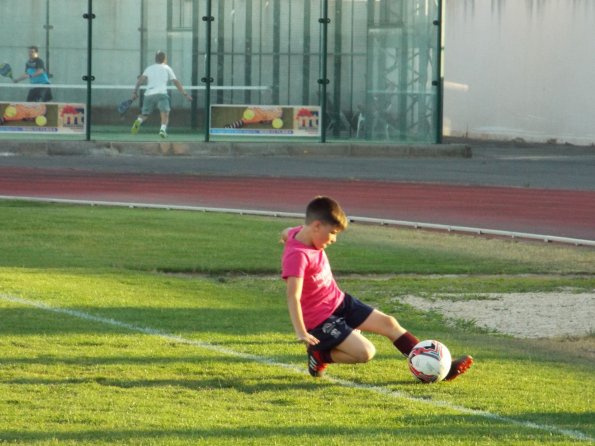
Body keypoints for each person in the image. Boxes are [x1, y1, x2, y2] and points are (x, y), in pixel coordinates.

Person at [281, 196, 473, 379]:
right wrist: (301, 332)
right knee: (366, 352)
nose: (334, 239)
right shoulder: (297, 256)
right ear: (316, 226)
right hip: (321, 321)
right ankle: (320, 356)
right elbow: (293, 296)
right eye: (332, 233)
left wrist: (286, 237)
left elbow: (287, 232)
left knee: (390, 324)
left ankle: (439, 369)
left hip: (340, 302)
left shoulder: (300, 232)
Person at [130, 50, 192, 138]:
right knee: (165, 112)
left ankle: (138, 121)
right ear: (164, 59)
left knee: (145, 114)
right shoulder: (167, 68)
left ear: (155, 59)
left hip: (149, 95)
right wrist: (185, 94)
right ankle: (162, 130)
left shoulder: (149, 68)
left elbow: (140, 81)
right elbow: (176, 82)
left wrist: (134, 92)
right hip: (161, 94)